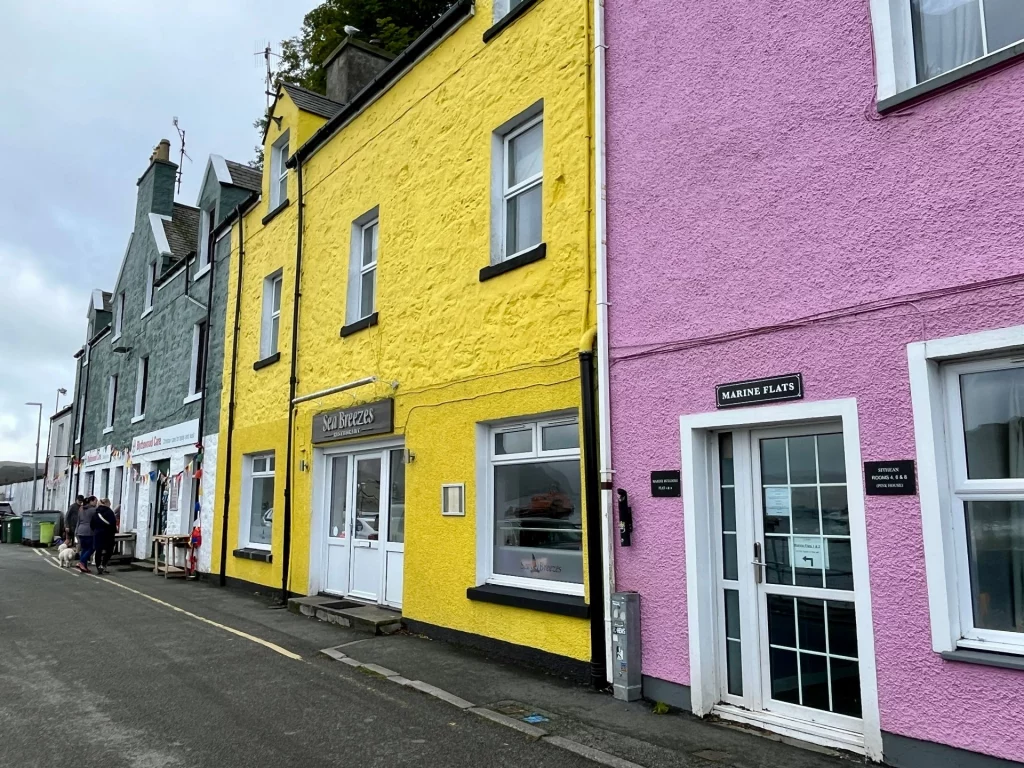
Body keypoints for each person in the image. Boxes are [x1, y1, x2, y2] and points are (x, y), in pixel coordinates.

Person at [92, 498, 117, 575]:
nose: (110, 505)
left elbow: (92, 524)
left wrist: (96, 531)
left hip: (98, 534)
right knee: (109, 550)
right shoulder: (110, 512)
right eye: (109, 503)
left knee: (98, 551)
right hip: (108, 534)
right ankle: (104, 564)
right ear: (106, 503)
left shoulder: (96, 512)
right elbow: (113, 524)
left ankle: (98, 566)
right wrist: (113, 532)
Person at [75, 496, 98, 574]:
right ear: (91, 502)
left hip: (80, 530)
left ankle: (84, 567)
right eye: (95, 501)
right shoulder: (93, 510)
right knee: (92, 548)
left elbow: (78, 520)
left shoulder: (80, 509)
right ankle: (81, 562)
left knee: (84, 549)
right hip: (89, 531)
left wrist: (76, 531)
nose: (96, 503)